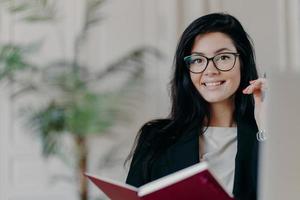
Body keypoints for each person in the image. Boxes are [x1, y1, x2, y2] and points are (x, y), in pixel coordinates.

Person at [125, 13, 266, 200]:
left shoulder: (265, 137)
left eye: (223, 57)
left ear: (243, 61)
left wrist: (266, 127)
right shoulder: (156, 139)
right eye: (198, 60)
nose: (210, 70)